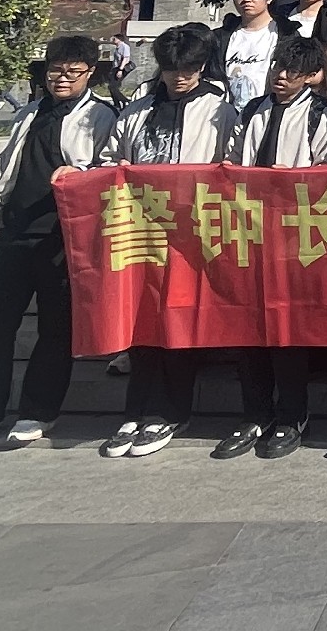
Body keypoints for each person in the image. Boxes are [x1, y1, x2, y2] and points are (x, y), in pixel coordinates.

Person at [99, 23, 240, 458]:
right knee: (141, 321)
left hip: (190, 234)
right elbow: (109, 160)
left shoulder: (220, 111)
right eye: (172, 68)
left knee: (179, 323)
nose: (180, 76)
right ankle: (136, 410)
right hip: (139, 231)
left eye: (189, 68)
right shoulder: (136, 111)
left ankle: (171, 412)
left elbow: (231, 166)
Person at [0, 36, 117, 446]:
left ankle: (38, 411)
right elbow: (11, 169)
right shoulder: (29, 112)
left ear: (90, 73)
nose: (62, 78)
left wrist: (80, 176)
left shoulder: (101, 116)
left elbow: (108, 171)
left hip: (63, 238)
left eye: (73, 71)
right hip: (15, 230)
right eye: (56, 69)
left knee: (55, 329)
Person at [213, 37, 327, 461]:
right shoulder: (253, 110)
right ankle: (255, 414)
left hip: (293, 233)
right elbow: (231, 160)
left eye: (292, 71)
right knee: (248, 328)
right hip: (248, 230)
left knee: (288, 331)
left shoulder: (319, 113)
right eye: (277, 68)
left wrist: (293, 179)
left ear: (311, 76)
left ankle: (292, 416)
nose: (281, 77)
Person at [209, 0, 293, 110]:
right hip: (224, 113)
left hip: (268, 110)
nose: (246, 0)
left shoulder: (287, 34)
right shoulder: (219, 37)